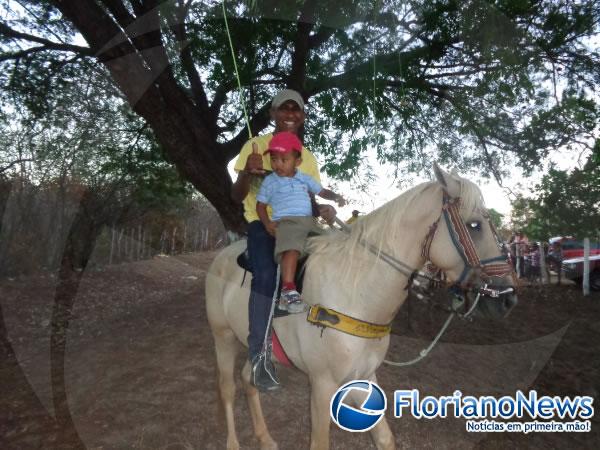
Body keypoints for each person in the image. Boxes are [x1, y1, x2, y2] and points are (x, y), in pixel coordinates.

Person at [230, 89, 336, 392]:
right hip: (266, 225)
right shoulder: (254, 146)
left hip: (303, 223)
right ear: (272, 114)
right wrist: (246, 175)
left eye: (296, 110)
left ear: (302, 116)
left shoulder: (308, 157)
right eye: (283, 109)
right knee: (265, 274)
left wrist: (324, 209)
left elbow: (307, 197)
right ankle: (259, 356)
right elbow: (236, 196)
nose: (290, 115)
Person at [256, 132, 345, 313]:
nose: (277, 164)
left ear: (297, 162)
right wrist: (267, 224)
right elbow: (260, 206)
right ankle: (287, 291)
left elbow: (321, 192)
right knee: (293, 248)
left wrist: (335, 197)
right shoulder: (270, 182)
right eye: (274, 159)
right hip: (287, 222)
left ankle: (335, 285)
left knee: (333, 242)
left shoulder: (304, 178)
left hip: (310, 221)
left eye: (283, 159)